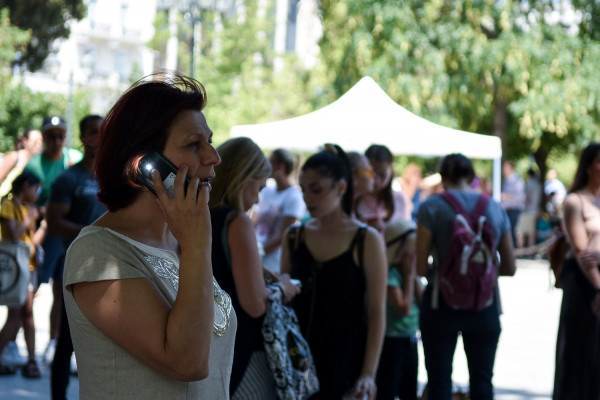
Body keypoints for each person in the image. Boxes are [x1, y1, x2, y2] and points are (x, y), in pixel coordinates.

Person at [62, 72, 236, 398]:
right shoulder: (98, 253)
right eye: (194, 144)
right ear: (146, 165)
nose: (214, 157)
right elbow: (187, 363)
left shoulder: (180, 242)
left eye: (209, 142)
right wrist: (198, 245)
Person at [281, 144, 387, 400]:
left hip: (347, 362)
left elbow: (376, 311)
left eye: (316, 190)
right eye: (304, 189)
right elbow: (282, 304)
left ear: (341, 188)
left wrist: (368, 374)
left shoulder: (367, 239)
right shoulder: (294, 236)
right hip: (299, 361)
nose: (308, 198)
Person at [416, 153, 516, 400]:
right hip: (486, 305)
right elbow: (510, 267)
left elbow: (419, 267)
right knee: (482, 381)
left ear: (443, 177)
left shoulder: (431, 207)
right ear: (471, 177)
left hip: (441, 306)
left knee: (439, 381)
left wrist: (448, 276)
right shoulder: (494, 207)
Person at [209, 137, 300, 398]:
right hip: (244, 350)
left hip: (210, 344)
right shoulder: (236, 221)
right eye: (259, 188)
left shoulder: (196, 216)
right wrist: (283, 287)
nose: (258, 199)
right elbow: (255, 304)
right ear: (243, 179)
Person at [47, 114, 106, 400]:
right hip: (74, 266)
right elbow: (54, 221)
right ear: (83, 138)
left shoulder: (115, 178)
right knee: (68, 340)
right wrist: (93, 232)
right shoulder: (68, 178)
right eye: (95, 131)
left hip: (108, 270)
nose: (101, 136)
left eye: (105, 130)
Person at [25, 116, 82, 364]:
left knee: (61, 292)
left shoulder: (74, 161)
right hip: (41, 237)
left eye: (61, 135)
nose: (57, 141)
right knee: (30, 290)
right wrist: (43, 214)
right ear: (44, 138)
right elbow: (27, 204)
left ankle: (53, 342)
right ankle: (17, 339)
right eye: (51, 136)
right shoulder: (34, 166)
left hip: (67, 237)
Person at [553, 143, 600, 400]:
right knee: (577, 353)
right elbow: (582, 252)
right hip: (582, 285)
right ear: (589, 165)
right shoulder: (575, 201)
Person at [0, 171, 46, 378]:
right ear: (26, 185)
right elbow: (13, 236)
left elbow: (31, 241)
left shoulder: (28, 209)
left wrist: (42, 225)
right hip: (18, 269)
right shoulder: (8, 205)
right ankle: (27, 360)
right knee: (16, 314)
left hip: (29, 267)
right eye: (36, 189)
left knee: (26, 314)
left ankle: (31, 360)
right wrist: (29, 219)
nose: (37, 194)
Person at [376, 219, 422, 400]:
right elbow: (404, 308)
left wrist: (413, 273)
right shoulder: (392, 275)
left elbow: (423, 301)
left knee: (409, 392)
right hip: (392, 341)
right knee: (387, 390)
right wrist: (409, 276)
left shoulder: (407, 272)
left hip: (409, 339)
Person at [254, 148, 306, 274]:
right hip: (256, 257)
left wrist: (255, 253)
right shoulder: (266, 191)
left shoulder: (293, 196)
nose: (266, 166)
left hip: (272, 265)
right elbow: (253, 221)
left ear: (280, 167)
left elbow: (282, 236)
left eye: (270, 162)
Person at [355, 144, 411, 232]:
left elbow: (405, 231)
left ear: (391, 172)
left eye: (382, 175)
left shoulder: (399, 199)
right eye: (372, 173)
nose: (376, 180)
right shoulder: (353, 198)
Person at [0, 129, 43, 198]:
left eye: (41, 141)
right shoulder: (15, 157)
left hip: (23, 206)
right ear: (25, 141)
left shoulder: (39, 163)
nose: (39, 144)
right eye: (36, 142)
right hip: (5, 203)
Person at [500, 160, 525, 247]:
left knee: (512, 231)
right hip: (506, 210)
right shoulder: (507, 180)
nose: (503, 170)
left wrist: (505, 196)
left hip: (514, 210)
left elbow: (520, 197)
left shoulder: (518, 181)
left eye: (505, 168)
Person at [517, 168, 542, 249]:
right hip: (534, 210)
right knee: (531, 231)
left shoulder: (529, 184)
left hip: (528, 210)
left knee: (520, 231)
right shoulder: (538, 184)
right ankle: (531, 249)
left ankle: (521, 250)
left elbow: (527, 198)